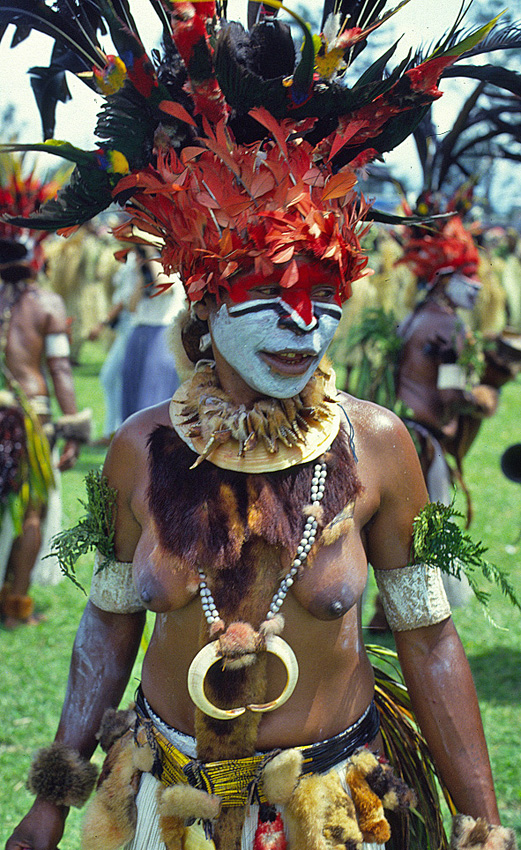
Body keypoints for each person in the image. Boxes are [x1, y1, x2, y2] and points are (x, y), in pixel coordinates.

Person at [3, 2, 518, 848]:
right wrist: (55, 798)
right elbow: (107, 623)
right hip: (167, 812)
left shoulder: (377, 446)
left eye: (322, 297)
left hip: (336, 813)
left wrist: (483, 825)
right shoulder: (138, 449)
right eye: (269, 297)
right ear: (205, 295)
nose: (301, 327)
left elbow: (428, 641)